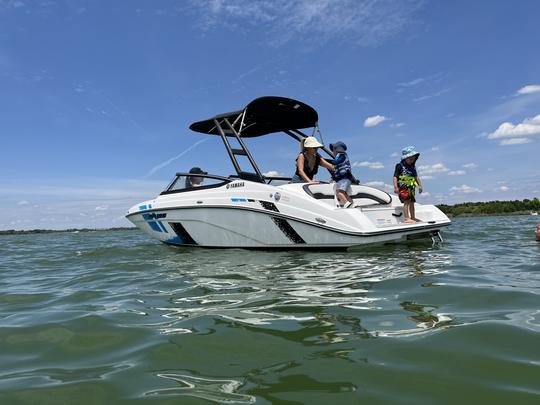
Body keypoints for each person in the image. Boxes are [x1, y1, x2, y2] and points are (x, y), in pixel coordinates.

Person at [393, 146, 424, 224]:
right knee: (406, 202)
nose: (412, 161)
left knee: (412, 202)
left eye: (413, 159)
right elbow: (395, 177)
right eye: (410, 159)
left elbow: (416, 177)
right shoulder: (399, 166)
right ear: (405, 158)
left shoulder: (413, 167)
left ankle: (413, 217)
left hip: (411, 187)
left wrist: (420, 186)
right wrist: (396, 187)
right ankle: (406, 218)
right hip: (403, 187)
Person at [328, 141, 355, 208]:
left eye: (333, 150)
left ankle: (346, 204)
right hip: (345, 178)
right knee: (344, 193)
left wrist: (330, 161)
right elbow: (336, 170)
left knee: (339, 192)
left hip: (344, 177)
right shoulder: (340, 155)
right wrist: (332, 178)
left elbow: (337, 162)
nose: (332, 152)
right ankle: (352, 204)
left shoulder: (342, 155)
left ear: (337, 149)